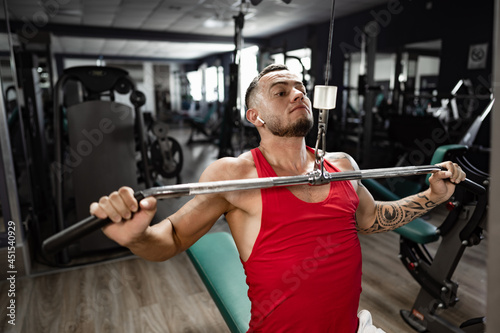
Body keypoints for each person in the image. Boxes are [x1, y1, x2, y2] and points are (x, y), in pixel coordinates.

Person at [90, 64, 466, 333]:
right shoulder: (235, 175)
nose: (297, 94)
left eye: (300, 88)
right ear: (256, 116)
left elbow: (372, 218)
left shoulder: (341, 165)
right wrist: (138, 237)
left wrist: (431, 196)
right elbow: (171, 237)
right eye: (281, 92)